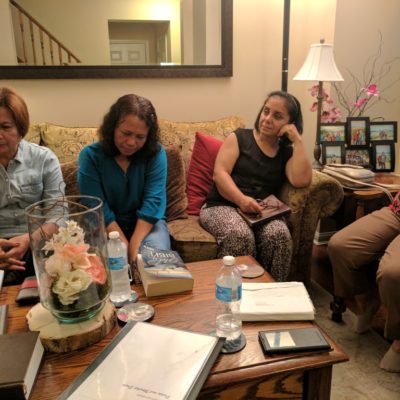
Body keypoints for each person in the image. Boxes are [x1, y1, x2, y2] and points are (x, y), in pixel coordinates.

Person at [199, 91, 312, 281]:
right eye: (266, 111)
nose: (267, 119)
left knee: (279, 236)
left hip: (261, 213)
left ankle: (270, 294)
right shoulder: (239, 138)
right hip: (221, 205)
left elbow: (301, 180)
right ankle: (231, 293)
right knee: (239, 235)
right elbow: (220, 174)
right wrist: (241, 200)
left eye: (277, 116)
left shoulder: (285, 152)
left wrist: (297, 140)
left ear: (290, 124)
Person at [77, 94, 170, 266]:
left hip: (147, 225)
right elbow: (95, 206)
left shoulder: (156, 154)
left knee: (152, 266)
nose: (131, 142)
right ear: (112, 127)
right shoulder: (90, 156)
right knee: (109, 268)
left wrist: (134, 247)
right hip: (104, 225)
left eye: (140, 137)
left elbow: (153, 202)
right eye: (126, 133)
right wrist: (122, 245)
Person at [327, 196, 400, 373]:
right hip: (397, 211)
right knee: (340, 246)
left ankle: (398, 340)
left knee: (393, 273)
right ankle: (369, 298)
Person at [0, 87, 65, 283]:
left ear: (21, 129)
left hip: (38, 242)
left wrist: (29, 239)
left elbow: (59, 214)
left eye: (5, 127)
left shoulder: (44, 159)